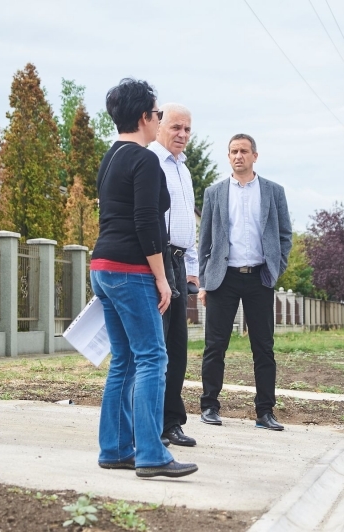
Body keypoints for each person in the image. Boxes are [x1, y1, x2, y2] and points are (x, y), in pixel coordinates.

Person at [90, 78, 197, 478]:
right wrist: (163, 278)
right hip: (131, 270)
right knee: (154, 357)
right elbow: (147, 222)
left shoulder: (111, 157)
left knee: (125, 360)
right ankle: (152, 453)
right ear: (143, 117)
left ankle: (115, 448)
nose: (158, 120)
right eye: (156, 115)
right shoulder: (145, 159)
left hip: (102, 267)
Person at [197, 134, 292, 431]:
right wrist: (203, 282)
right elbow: (206, 242)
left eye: (244, 151)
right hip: (223, 279)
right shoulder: (214, 192)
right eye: (233, 151)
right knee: (215, 346)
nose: (238, 156)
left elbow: (284, 235)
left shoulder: (273, 192)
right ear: (228, 157)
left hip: (259, 278)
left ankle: (265, 412)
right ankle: (209, 406)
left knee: (263, 348)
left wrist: (276, 269)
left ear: (255, 155)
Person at [147, 103, 198, 448]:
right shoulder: (149, 162)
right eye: (175, 127)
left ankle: (171, 422)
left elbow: (187, 224)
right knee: (156, 348)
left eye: (187, 130)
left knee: (177, 347)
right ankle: (149, 423)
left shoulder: (183, 169)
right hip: (156, 260)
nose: (181, 135)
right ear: (159, 124)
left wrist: (192, 271)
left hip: (179, 263)